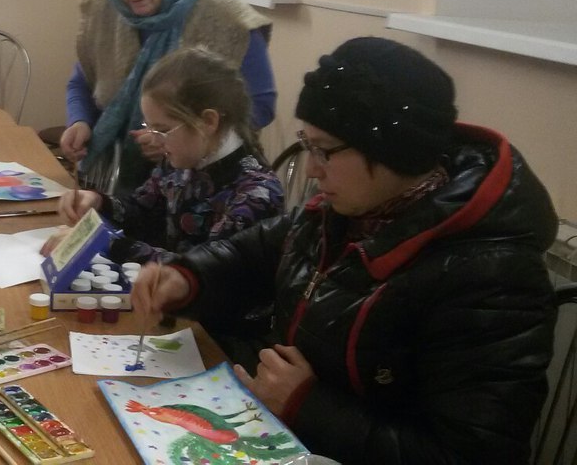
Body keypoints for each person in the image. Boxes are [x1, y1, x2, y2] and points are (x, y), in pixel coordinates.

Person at [131, 37, 558, 464]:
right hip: (288, 436)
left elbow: (472, 455)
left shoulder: (491, 275)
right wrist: (186, 278)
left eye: (325, 150)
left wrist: (307, 405)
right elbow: (253, 254)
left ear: (391, 149)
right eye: (307, 144)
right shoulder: (347, 210)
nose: (312, 169)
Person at [62, 0, 275, 195]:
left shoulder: (228, 19)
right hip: (116, 178)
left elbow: (261, 105)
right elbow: (82, 81)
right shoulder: (106, 12)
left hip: (207, 186)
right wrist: (80, 121)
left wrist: (178, 137)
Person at [45, 47, 283, 264]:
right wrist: (99, 202)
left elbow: (197, 271)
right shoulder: (183, 158)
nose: (154, 139)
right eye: (149, 127)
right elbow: (143, 211)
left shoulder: (256, 195)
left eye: (163, 129)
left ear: (208, 121)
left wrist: (104, 243)